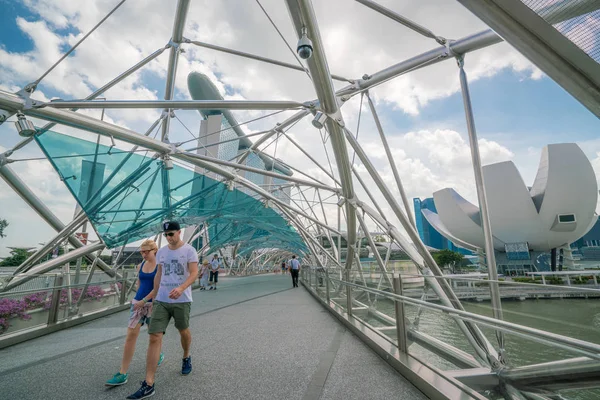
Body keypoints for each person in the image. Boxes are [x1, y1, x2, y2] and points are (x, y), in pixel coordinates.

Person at [127, 221, 199, 400]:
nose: (169, 237)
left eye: (172, 234)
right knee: (154, 336)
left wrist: (181, 288)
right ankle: (149, 383)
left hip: (182, 300)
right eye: (166, 234)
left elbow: (194, 273)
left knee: (183, 330)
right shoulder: (162, 253)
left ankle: (186, 356)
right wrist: (151, 297)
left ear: (179, 233)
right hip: (161, 300)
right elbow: (159, 275)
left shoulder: (189, 250)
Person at [105, 240, 164, 386]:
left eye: (146, 252)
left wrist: (144, 300)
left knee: (154, 336)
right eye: (141, 252)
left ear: (154, 250)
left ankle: (158, 354)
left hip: (152, 304)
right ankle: (122, 372)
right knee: (130, 336)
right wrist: (137, 300)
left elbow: (158, 287)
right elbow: (139, 284)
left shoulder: (160, 266)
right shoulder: (141, 266)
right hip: (138, 304)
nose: (143, 254)